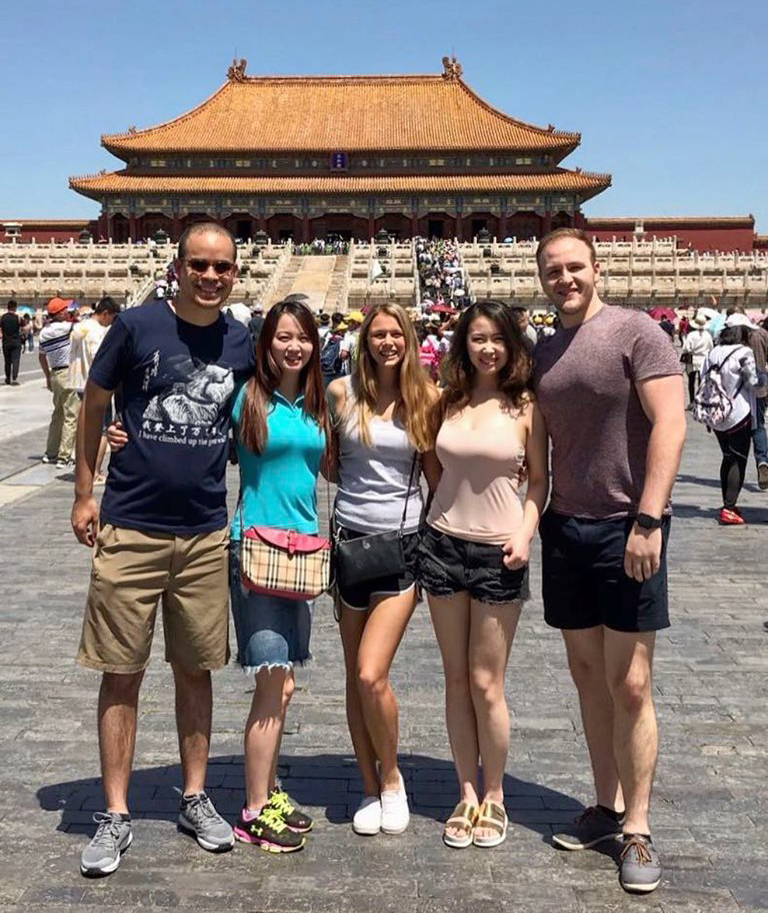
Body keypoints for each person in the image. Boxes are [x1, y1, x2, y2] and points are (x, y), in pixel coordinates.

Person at [71, 223, 254, 877]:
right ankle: (116, 810)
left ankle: (195, 795)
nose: (210, 275)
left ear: (237, 272)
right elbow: (94, 401)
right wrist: (85, 489)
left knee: (196, 666)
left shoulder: (241, 340)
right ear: (177, 267)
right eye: (198, 264)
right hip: (132, 523)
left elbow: (271, 407)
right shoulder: (136, 326)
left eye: (222, 266)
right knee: (121, 668)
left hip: (204, 530)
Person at [534, 228, 685, 895]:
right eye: (552, 270)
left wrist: (649, 517)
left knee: (632, 683)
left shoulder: (636, 334)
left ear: (597, 269)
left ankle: (640, 826)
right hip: (567, 527)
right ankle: (606, 803)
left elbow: (672, 423)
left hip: (630, 526)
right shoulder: (544, 351)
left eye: (574, 267)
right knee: (588, 675)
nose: (564, 278)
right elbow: (538, 448)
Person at [419, 299, 549, 850]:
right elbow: (432, 465)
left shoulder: (526, 408)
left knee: (486, 682)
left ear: (512, 344)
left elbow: (539, 482)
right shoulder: (446, 402)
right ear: (462, 345)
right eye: (477, 338)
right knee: (453, 678)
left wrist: (524, 533)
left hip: (500, 551)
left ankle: (495, 794)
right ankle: (466, 791)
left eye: (497, 338)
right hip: (443, 544)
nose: (487, 348)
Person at [327, 303, 437, 838]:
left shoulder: (426, 398)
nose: (387, 342)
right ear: (364, 340)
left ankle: (392, 779)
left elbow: (438, 477)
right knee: (354, 677)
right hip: (349, 541)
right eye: (378, 334)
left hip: (402, 546)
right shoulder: (340, 393)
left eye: (396, 334)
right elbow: (328, 461)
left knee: (373, 672)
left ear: (408, 339)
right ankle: (367, 788)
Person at [229, 299, 330, 853]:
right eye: (282, 337)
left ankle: (269, 789)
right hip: (256, 550)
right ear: (266, 343)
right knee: (271, 681)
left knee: (286, 683)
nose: (293, 346)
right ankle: (252, 809)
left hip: (302, 551)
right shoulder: (248, 397)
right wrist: (120, 437)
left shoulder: (315, 402)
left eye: (302, 337)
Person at [700, 324, 759, 525]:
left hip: (716, 412)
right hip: (739, 412)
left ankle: (728, 502)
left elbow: (703, 377)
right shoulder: (744, 352)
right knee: (738, 459)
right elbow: (753, 381)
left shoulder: (713, 353)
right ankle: (729, 507)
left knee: (727, 457)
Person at [68, 296, 121, 483]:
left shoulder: (78, 328)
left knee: (83, 425)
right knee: (103, 429)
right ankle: (95, 471)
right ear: (105, 314)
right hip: (96, 385)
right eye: (112, 318)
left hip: (78, 381)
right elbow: (100, 359)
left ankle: (80, 468)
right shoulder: (99, 333)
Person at [39, 298, 80, 466]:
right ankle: (64, 456)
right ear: (60, 312)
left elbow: (41, 356)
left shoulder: (43, 332)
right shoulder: (68, 328)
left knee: (57, 415)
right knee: (71, 415)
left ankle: (50, 453)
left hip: (55, 373)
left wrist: (48, 376)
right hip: (68, 373)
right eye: (65, 309)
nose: (68, 311)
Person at [681, 312, 713, 408]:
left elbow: (686, 348)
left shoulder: (691, 335)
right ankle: (700, 400)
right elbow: (711, 347)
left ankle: (691, 401)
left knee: (691, 381)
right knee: (701, 381)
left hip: (692, 359)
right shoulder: (708, 335)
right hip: (703, 360)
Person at [1, 299, 22, 385]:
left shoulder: (3, 317)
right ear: (15, 308)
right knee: (16, 360)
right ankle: (14, 378)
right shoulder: (18, 318)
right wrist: (22, 332)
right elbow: (26, 327)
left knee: (7, 361)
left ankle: (7, 378)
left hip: (6, 342)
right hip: (16, 341)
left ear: (8, 307)